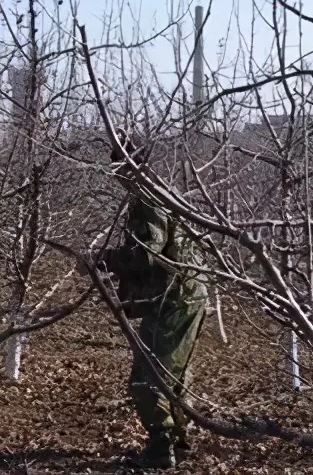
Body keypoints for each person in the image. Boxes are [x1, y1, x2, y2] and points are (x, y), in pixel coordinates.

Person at [90, 130, 208, 467]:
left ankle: (161, 448)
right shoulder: (162, 189)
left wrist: (106, 259)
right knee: (174, 374)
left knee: (148, 376)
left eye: (117, 166)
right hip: (190, 292)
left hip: (175, 297)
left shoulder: (146, 197)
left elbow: (145, 255)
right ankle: (178, 440)